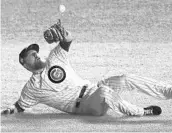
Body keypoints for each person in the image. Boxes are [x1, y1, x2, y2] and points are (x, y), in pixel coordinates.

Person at [1, 19, 171, 117]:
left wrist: (62, 33)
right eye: (31, 54)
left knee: (124, 78)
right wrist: (10, 110)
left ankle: (167, 91)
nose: (36, 54)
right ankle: (141, 112)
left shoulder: (55, 58)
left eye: (36, 52)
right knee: (105, 91)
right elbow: (20, 106)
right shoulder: (31, 88)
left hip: (93, 88)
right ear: (24, 63)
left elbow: (68, 40)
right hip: (85, 107)